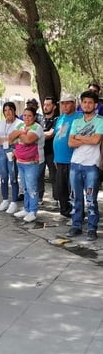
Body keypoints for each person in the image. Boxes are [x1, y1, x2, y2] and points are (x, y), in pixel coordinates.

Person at [66, 90, 103, 241]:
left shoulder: (100, 121)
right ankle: (76, 226)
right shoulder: (76, 122)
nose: (87, 105)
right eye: (84, 102)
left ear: (95, 105)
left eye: (90, 102)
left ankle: (92, 228)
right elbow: (70, 143)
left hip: (91, 165)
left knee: (91, 199)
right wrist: (87, 137)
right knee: (75, 198)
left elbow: (96, 141)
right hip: (75, 164)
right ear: (81, 104)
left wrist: (79, 137)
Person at [9, 106, 44, 223]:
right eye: (24, 115)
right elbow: (10, 138)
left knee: (31, 187)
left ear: (34, 117)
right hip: (21, 162)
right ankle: (26, 208)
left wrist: (18, 135)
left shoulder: (37, 128)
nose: (27, 118)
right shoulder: (20, 126)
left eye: (29, 116)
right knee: (24, 187)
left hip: (33, 162)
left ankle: (33, 211)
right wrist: (20, 132)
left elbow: (28, 140)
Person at [53, 93, 81, 219]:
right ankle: (65, 212)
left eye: (67, 102)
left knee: (74, 190)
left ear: (74, 103)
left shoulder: (79, 117)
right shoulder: (60, 118)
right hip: (59, 159)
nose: (64, 105)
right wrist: (55, 157)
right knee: (61, 188)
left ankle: (77, 213)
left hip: (73, 159)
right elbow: (57, 137)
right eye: (62, 103)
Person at [0, 101, 20, 214]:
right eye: (5, 110)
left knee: (13, 175)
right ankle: (5, 200)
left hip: (13, 150)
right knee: (3, 176)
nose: (7, 112)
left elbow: (19, 140)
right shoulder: (1, 123)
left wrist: (12, 144)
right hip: (2, 150)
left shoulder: (19, 123)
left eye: (9, 110)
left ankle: (14, 202)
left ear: (14, 111)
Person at [38, 97, 58, 207]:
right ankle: (39, 197)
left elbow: (51, 134)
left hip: (51, 152)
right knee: (39, 176)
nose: (45, 107)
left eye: (48, 104)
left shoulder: (57, 120)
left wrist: (39, 135)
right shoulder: (39, 120)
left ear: (54, 106)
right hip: (40, 152)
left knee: (53, 176)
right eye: (44, 104)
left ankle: (56, 198)